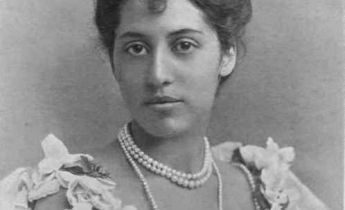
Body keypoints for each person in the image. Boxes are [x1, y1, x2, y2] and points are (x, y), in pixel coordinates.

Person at [0, 0, 330, 210]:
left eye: (183, 45)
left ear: (226, 54)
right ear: (113, 60)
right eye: (136, 49)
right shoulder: (54, 197)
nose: (157, 75)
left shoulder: (269, 191)